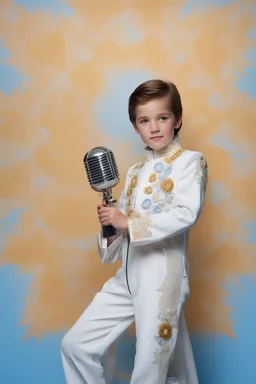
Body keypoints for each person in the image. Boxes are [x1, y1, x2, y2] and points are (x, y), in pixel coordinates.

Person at [61, 79, 208, 384]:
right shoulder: (133, 173)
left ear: (177, 120)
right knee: (75, 345)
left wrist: (127, 222)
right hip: (127, 277)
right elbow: (115, 243)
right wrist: (110, 223)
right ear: (135, 127)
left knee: (149, 371)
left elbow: (186, 213)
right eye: (144, 120)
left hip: (161, 280)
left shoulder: (191, 162)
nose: (154, 127)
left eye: (162, 118)